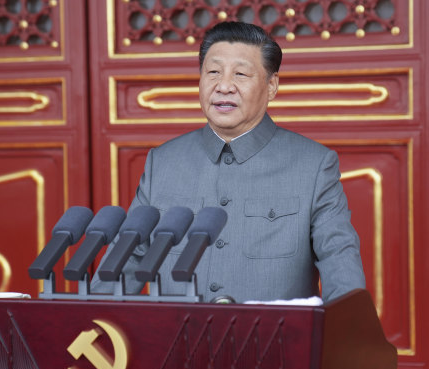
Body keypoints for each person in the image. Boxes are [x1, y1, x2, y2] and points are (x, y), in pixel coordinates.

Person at [91, 21, 365, 303]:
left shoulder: (313, 166)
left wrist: (349, 336)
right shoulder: (163, 162)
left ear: (271, 86)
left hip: (273, 344)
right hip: (176, 344)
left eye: (241, 74)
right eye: (213, 72)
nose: (224, 86)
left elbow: (338, 258)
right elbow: (127, 262)